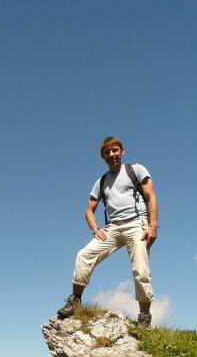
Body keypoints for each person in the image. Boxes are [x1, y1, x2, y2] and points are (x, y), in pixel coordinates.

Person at [57, 136, 158, 327]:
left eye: (115, 150)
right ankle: (75, 300)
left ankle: (144, 315)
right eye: (107, 152)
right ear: (102, 156)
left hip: (137, 224)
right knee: (84, 255)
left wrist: (152, 226)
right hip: (112, 228)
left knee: (141, 268)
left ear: (122, 151)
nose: (112, 155)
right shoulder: (101, 182)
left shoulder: (135, 170)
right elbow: (88, 210)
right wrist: (95, 228)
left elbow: (151, 196)